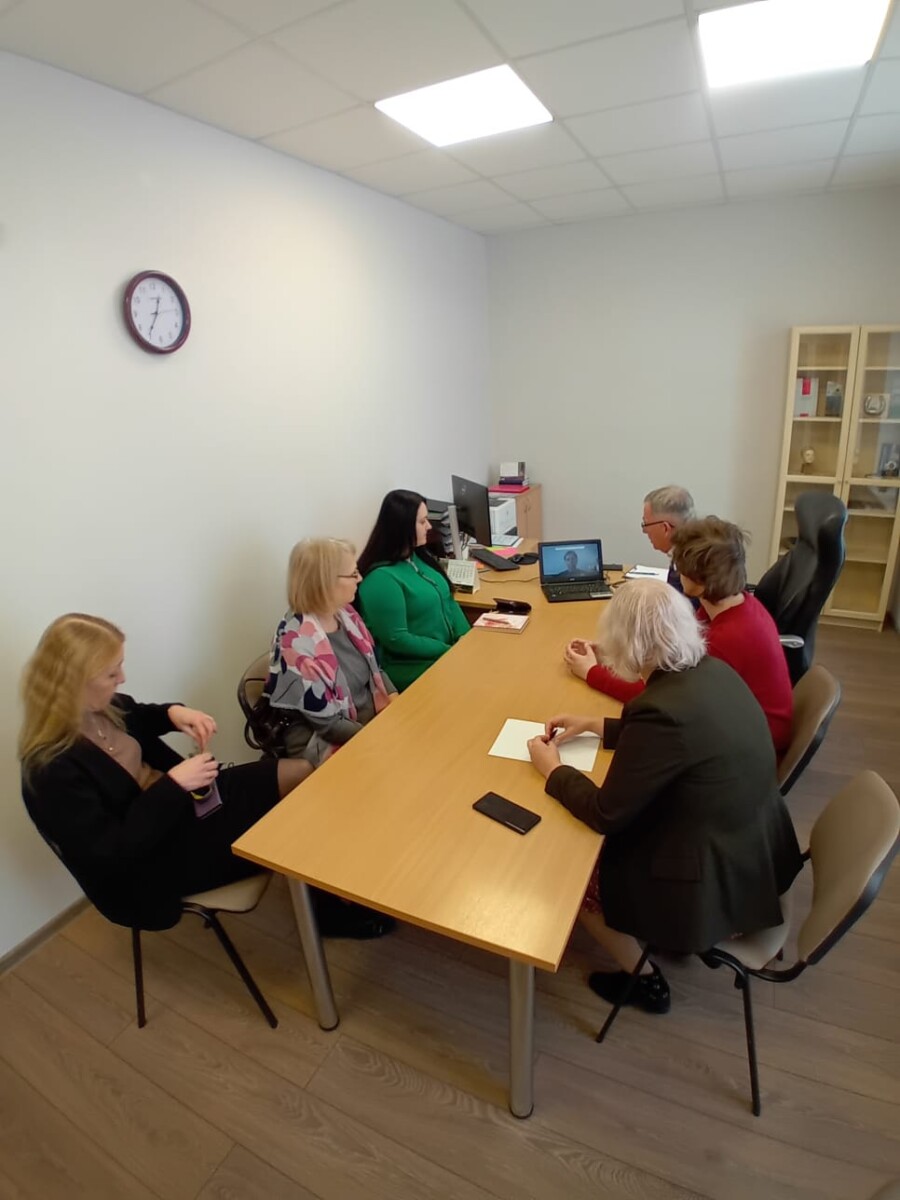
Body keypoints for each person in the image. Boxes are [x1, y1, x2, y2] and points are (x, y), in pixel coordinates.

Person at [20, 614, 391, 939]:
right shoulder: (50, 771)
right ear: (75, 682)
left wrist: (176, 714)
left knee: (303, 775)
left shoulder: (101, 708)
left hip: (184, 806)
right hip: (152, 862)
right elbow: (113, 852)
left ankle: (325, 897)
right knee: (287, 823)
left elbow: (141, 714)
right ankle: (328, 911)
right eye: (111, 673)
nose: (123, 678)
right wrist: (175, 784)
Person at [528, 580, 802, 1015]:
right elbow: (680, 738)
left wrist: (553, 770)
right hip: (756, 860)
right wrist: (597, 725)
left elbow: (605, 813)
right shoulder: (714, 671)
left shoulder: (658, 710)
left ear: (626, 644)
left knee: (572, 874)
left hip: (715, 887)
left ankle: (645, 981)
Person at [564, 517, 793, 754]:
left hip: (750, 747)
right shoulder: (732, 604)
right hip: (739, 725)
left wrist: (591, 673)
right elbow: (672, 656)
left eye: (678, 565)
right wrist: (616, 650)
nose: (676, 571)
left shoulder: (726, 639)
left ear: (699, 580)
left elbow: (662, 697)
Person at [265, 538, 397, 767]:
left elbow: (374, 668)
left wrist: (396, 703)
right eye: (353, 574)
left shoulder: (345, 614)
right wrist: (382, 736)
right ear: (325, 582)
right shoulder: (295, 644)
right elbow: (330, 726)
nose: (360, 578)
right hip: (325, 743)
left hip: (367, 725)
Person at [356, 489, 470, 691]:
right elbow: (397, 639)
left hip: (445, 655)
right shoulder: (381, 579)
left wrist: (466, 638)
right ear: (402, 526)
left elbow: (448, 599)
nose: (429, 526)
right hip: (412, 667)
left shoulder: (418, 557)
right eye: (422, 521)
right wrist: (449, 650)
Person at [641, 484, 695, 593]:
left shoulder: (692, 568)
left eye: (646, 524)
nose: (644, 531)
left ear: (665, 528)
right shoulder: (688, 550)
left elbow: (678, 603)